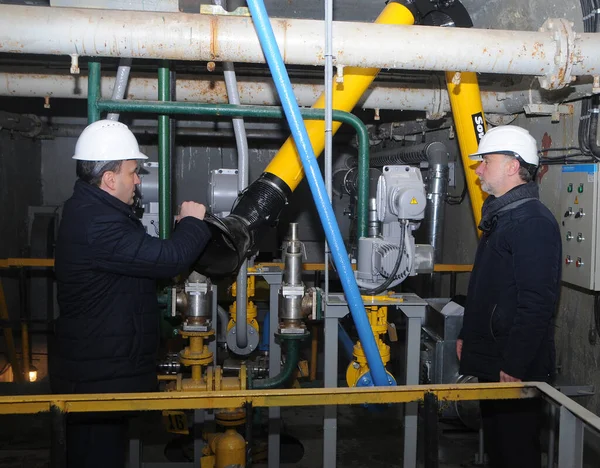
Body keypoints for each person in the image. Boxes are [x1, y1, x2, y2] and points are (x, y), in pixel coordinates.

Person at [50, 120, 212, 468]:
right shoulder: (99, 225)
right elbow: (170, 260)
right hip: (95, 380)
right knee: (97, 458)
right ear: (110, 179)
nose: (138, 180)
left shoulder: (94, 212)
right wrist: (191, 222)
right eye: (133, 172)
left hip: (100, 371)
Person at [456, 125, 561, 468]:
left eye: (486, 160)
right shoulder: (503, 216)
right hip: (494, 359)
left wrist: (514, 364)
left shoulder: (532, 222)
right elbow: (488, 290)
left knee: (515, 452)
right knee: (499, 449)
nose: (479, 168)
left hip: (514, 367)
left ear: (513, 166)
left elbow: (537, 303)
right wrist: (467, 337)